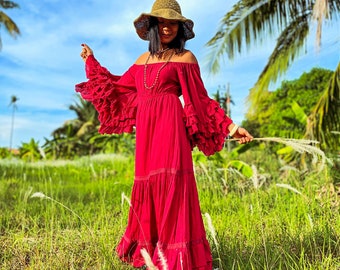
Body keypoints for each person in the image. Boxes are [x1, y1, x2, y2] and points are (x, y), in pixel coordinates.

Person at [76, 0, 253, 268]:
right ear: (153, 27)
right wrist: (91, 62)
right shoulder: (141, 61)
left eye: (173, 23)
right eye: (162, 22)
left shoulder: (185, 58)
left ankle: (178, 256)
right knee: (147, 183)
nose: (167, 27)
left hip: (171, 129)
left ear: (179, 28)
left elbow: (201, 100)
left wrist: (231, 127)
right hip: (147, 132)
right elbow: (116, 88)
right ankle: (150, 251)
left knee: (173, 185)